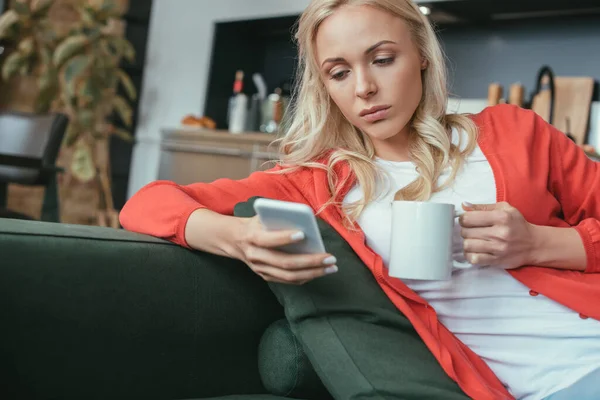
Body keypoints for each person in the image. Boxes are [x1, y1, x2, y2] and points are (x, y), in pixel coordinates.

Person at [120, 1, 600, 399]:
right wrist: (236, 236)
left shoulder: (515, 132)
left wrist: (538, 244)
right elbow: (146, 203)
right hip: (550, 385)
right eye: (339, 72)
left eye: (383, 59)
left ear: (422, 55)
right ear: (324, 86)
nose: (364, 88)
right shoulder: (316, 183)